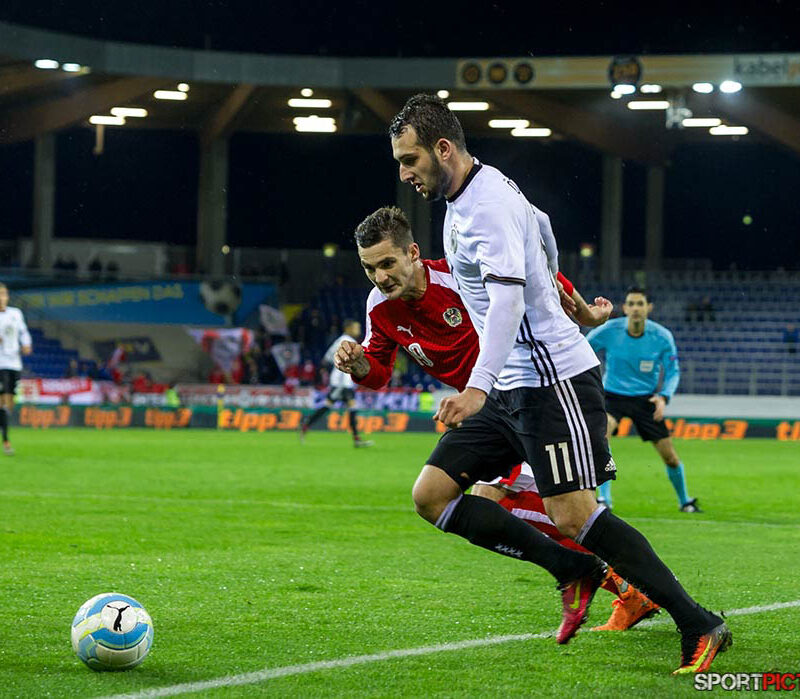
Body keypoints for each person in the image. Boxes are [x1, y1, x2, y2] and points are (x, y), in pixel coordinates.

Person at [378, 94, 727, 672]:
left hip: (548, 379)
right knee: (432, 496)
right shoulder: (473, 192)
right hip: (514, 382)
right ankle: (575, 570)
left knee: (575, 515)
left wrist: (478, 386)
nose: (405, 173)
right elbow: (541, 227)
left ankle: (698, 622)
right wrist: (573, 307)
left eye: (410, 159)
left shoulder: (483, 206)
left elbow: (509, 301)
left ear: (443, 149)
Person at [338, 205, 657, 631]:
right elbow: (376, 372)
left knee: (552, 510)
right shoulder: (380, 305)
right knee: (497, 504)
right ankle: (623, 586)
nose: (380, 277)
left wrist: (581, 311)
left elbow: (532, 272)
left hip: (527, 393)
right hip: (484, 412)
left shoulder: (456, 276)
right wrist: (358, 363)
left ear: (413, 253)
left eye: (387, 264)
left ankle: (630, 584)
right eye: (369, 268)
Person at [586, 287, 700, 513]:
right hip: (613, 396)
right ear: (625, 308)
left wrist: (664, 398)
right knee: (603, 433)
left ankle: (685, 501)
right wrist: (589, 385)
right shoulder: (609, 330)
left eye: (640, 304)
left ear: (649, 308)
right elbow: (581, 350)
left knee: (669, 457)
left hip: (646, 399)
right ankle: (604, 500)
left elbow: (673, 371)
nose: (636, 308)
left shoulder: (662, 336)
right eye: (632, 304)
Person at [300, 319, 373, 447]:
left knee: (343, 406)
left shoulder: (342, 340)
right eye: (356, 327)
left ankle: (307, 424)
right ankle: (306, 424)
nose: (359, 330)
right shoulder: (348, 342)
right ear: (348, 328)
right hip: (342, 382)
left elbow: (328, 357)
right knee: (345, 406)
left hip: (343, 381)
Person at [0, 283, 32, 455]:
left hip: (14, 363)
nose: (1, 297)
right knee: (4, 399)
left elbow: (24, 332)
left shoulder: (15, 314)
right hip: (0, 364)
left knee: (9, 403)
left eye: (3, 294)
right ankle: (6, 441)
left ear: (7, 296)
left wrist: (27, 344)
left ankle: (3, 425)